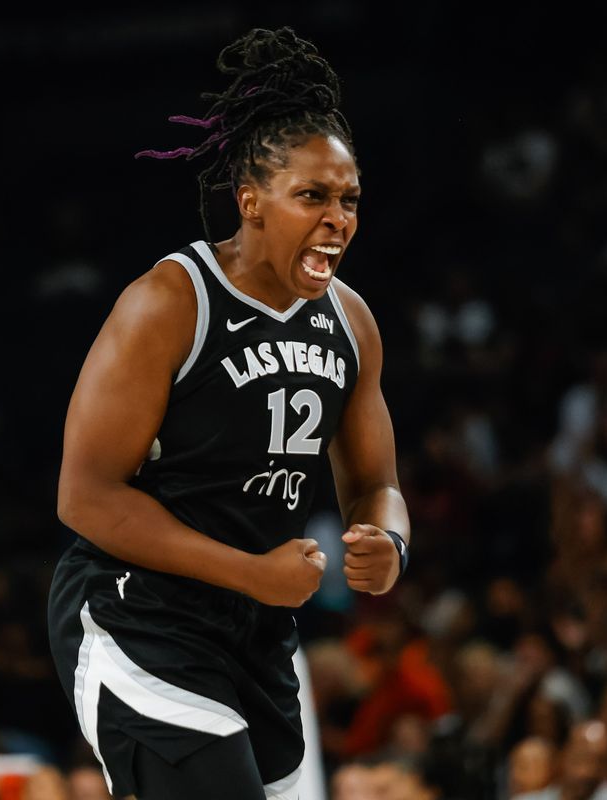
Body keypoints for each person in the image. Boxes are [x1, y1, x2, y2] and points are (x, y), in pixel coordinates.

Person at [46, 25, 409, 800]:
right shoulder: (171, 302)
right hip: (137, 611)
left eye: (348, 200)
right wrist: (251, 571)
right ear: (251, 201)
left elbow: (376, 484)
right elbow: (84, 496)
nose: (337, 218)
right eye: (311, 196)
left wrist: (392, 541)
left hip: (257, 627)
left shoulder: (353, 322)